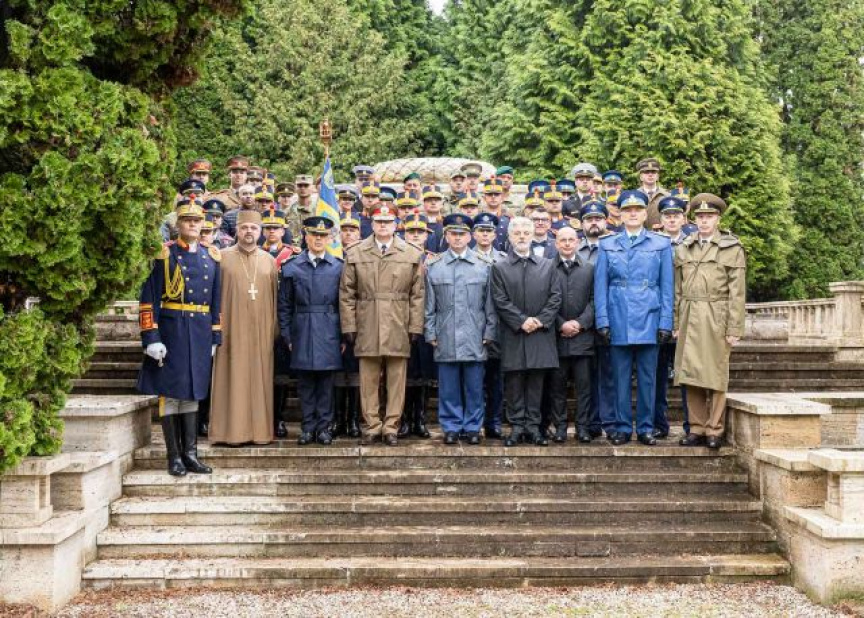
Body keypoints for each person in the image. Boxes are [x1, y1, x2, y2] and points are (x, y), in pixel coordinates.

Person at [137, 198, 220, 476]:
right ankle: (174, 456)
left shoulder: (212, 257)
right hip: (172, 330)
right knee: (171, 393)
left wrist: (215, 336)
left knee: (194, 392)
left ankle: (191, 454)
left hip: (199, 331)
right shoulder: (165, 254)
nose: (193, 225)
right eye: (187, 220)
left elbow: (216, 301)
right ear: (178, 224)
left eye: (197, 221)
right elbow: (149, 298)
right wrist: (151, 336)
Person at [339, 204, 425, 446]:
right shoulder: (356, 252)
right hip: (367, 321)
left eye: (388, 221)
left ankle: (391, 426)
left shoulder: (411, 253)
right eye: (379, 222)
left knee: (397, 379)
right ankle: (372, 425)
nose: (383, 226)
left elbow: (418, 295)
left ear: (396, 225)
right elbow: (347, 293)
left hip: (399, 321)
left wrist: (415, 327)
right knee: (368, 379)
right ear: (372, 224)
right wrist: (349, 326)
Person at [594, 190, 674, 446]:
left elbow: (667, 287)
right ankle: (622, 427)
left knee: (649, 379)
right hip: (618, 316)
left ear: (644, 214)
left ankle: (646, 428)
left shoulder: (661, 244)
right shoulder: (607, 244)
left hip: (650, 317)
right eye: (627, 210)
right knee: (619, 378)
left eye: (637, 210)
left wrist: (666, 322)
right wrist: (602, 320)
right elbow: (600, 286)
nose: (632, 214)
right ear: (620, 214)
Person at [675, 193, 746, 449]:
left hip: (717, 315)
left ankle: (714, 429)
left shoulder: (731, 248)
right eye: (700, 216)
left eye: (709, 216)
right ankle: (696, 428)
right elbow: (677, 289)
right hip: (689, 314)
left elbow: (737, 292)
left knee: (716, 374)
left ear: (718, 219)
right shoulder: (685, 247)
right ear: (694, 219)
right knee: (690, 373)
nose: (704, 221)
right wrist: (675, 322)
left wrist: (734, 327)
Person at [425, 213, 497, 445]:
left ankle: (473, 427)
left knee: (474, 386)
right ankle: (451, 427)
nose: (457, 238)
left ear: (470, 236)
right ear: (445, 236)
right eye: (453, 234)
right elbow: (429, 305)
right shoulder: (434, 266)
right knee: (448, 387)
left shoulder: (484, 266)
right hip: (445, 333)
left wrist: (489, 332)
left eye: (462, 234)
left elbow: (490, 304)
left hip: (475, 334)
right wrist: (430, 332)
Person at [209, 210, 279, 445]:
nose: (249, 231)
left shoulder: (269, 261)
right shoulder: (221, 258)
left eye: (254, 228)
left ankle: (260, 433)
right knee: (231, 379)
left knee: (260, 381)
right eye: (244, 227)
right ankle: (228, 433)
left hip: (261, 332)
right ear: (236, 230)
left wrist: (274, 331)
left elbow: (275, 299)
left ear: (260, 232)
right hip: (230, 331)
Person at [491, 217, 563, 447]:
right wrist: (521, 321)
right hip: (514, 334)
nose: (522, 236)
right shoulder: (499, 267)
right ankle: (516, 427)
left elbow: (555, 297)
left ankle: (533, 427)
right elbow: (499, 299)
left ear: (533, 235)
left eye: (526, 232)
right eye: (517, 233)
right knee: (514, 383)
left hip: (540, 334)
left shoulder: (547, 266)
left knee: (536, 383)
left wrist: (540, 320)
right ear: (510, 237)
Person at [278, 217, 344, 446]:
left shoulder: (338, 267)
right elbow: (284, 305)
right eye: (314, 234)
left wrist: (344, 336)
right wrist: (287, 334)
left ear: (330, 239)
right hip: (302, 329)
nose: (318, 239)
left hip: (329, 329)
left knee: (326, 382)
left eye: (323, 235)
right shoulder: (292, 266)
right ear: (306, 237)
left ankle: (324, 428)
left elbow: (344, 304)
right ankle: (307, 428)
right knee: (305, 383)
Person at [549, 226, 596, 443]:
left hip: (583, 339)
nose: (567, 244)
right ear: (556, 243)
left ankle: (583, 427)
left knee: (584, 388)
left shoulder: (589, 268)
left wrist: (580, 323)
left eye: (571, 240)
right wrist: (560, 324)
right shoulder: (547, 268)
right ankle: (560, 427)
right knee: (556, 387)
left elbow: (595, 301)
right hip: (555, 339)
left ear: (577, 242)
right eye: (563, 240)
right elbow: (543, 301)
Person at [654, 196, 694, 438]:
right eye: (667, 216)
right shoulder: (652, 243)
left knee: (688, 374)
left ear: (683, 219)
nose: (671, 219)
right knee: (657, 375)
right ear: (661, 219)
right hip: (658, 317)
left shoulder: (693, 243)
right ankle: (659, 425)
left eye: (676, 215)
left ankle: (691, 426)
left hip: (686, 316)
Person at [577, 200, 617, 438]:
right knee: (586, 377)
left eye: (598, 218)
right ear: (581, 224)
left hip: (609, 320)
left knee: (609, 374)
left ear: (606, 221)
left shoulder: (615, 247)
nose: (594, 223)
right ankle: (591, 423)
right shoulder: (574, 248)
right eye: (589, 219)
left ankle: (610, 423)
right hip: (581, 322)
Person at [398, 212, 435, 439]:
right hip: (401, 322)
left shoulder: (434, 260)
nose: (415, 235)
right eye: (411, 231)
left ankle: (420, 419)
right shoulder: (397, 257)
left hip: (426, 323)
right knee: (403, 372)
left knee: (424, 374)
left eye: (420, 232)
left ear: (427, 235)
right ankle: (403, 419)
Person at [473, 213, 507, 438]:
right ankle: (474, 423)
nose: (485, 235)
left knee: (496, 380)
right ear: (474, 234)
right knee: (474, 381)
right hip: (473, 325)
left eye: (489, 231)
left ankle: (493, 422)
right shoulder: (467, 256)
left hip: (498, 327)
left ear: (495, 234)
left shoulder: (503, 259)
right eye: (481, 231)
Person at [331, 213, 363, 438]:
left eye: (353, 230)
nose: (348, 234)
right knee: (336, 372)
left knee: (355, 373)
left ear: (360, 234)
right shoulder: (333, 257)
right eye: (344, 230)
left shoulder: (363, 256)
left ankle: (353, 419)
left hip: (359, 321)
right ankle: (337, 419)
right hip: (333, 321)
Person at [635, 157, 670, 230]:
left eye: (653, 172)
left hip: (661, 234)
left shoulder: (667, 196)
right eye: (646, 172)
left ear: (658, 176)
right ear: (641, 177)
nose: (650, 175)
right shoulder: (635, 196)